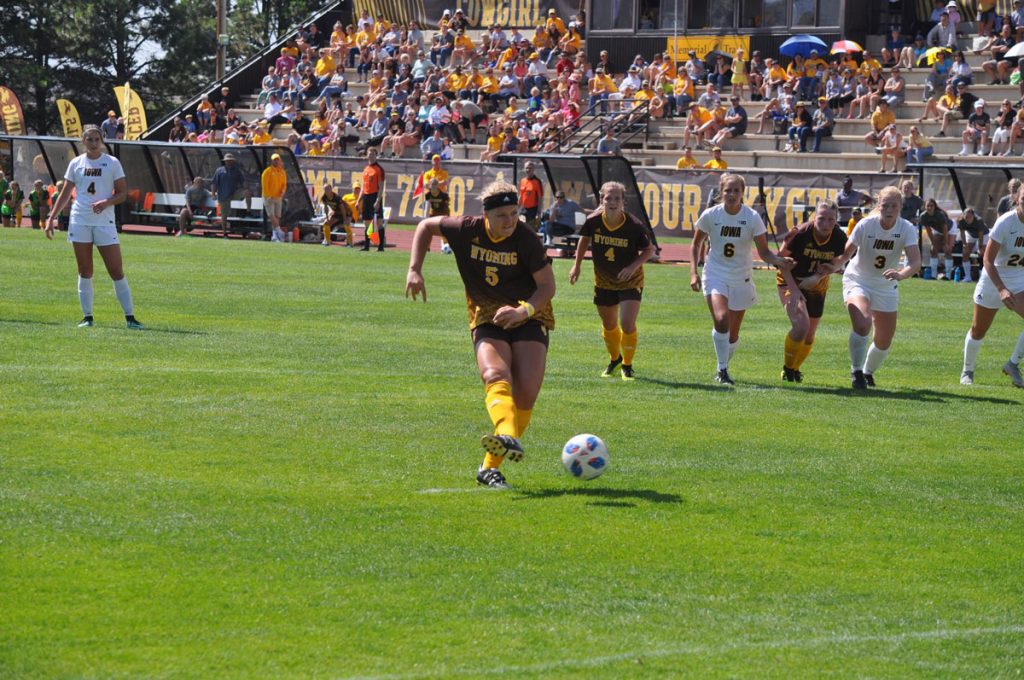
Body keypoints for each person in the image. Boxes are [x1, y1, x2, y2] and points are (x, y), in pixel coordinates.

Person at [405, 180, 556, 489]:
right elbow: (424, 226)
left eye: (514, 213)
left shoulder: (526, 239)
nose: (510, 221)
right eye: (502, 215)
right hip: (486, 313)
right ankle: (507, 435)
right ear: (486, 215)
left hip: (529, 313)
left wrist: (522, 311)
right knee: (494, 374)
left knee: (525, 394)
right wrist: (414, 269)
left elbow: (547, 287)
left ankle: (489, 468)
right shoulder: (466, 228)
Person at [689, 173, 795, 384]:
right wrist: (693, 272)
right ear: (721, 192)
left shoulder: (752, 217)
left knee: (733, 335)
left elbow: (764, 252)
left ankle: (723, 365)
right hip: (715, 273)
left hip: (742, 277)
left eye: (736, 190)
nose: (732, 194)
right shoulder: (711, 214)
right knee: (721, 320)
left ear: (742, 193)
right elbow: (695, 244)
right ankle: (722, 370)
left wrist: (780, 261)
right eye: (728, 190)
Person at [43, 126, 142, 329]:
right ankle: (87, 317)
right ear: (83, 141)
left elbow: (123, 193)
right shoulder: (76, 163)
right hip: (80, 220)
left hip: (104, 222)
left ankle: (130, 317)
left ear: (102, 140)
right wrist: (51, 217)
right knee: (85, 270)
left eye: (97, 139)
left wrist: (106, 202)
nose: (94, 142)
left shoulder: (112, 163)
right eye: (89, 139)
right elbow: (65, 193)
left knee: (116, 270)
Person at [569, 181, 655, 380]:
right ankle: (615, 359)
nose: (613, 201)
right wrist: (577, 265)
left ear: (623, 201)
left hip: (631, 280)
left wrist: (632, 267)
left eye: (617, 198)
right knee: (609, 325)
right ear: (602, 199)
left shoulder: (634, 225)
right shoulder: (593, 221)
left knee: (626, 323)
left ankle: (627, 365)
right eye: (609, 197)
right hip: (604, 281)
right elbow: (584, 240)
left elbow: (649, 250)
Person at [841, 186, 922, 389]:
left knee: (884, 341)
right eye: (885, 205)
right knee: (863, 322)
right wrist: (825, 269)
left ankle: (867, 372)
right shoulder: (866, 224)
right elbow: (844, 255)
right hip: (858, 279)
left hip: (886, 285)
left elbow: (915, 263)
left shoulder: (906, 228)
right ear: (879, 205)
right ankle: (856, 371)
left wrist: (900, 274)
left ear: (900, 207)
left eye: (894, 205)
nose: (889, 209)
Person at [775, 200, 848, 382]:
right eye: (821, 218)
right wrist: (794, 289)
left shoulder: (839, 237)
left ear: (836, 220)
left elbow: (841, 260)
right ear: (814, 217)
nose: (825, 224)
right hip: (791, 281)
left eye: (831, 220)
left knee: (809, 335)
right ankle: (788, 369)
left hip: (817, 285)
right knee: (801, 325)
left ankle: (795, 368)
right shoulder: (800, 234)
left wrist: (819, 276)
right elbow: (780, 261)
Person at [960, 185, 1024, 387]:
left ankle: (1013, 364)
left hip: (1018, 279)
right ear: (1016, 199)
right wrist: (1001, 289)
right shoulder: (1006, 222)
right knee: (978, 330)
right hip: (993, 279)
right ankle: (967, 370)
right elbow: (987, 260)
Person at [211, 153, 252, 238]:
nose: (229, 162)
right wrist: (213, 194)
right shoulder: (219, 170)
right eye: (227, 161)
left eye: (230, 160)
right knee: (224, 216)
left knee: (247, 192)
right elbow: (214, 183)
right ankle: (225, 233)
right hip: (223, 195)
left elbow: (243, 181)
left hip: (234, 193)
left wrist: (246, 187)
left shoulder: (237, 171)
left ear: (233, 161)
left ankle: (248, 211)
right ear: (225, 161)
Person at [356, 148, 386, 251]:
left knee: (379, 222)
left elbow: (381, 187)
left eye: (373, 154)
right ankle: (367, 246)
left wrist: (378, 200)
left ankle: (381, 246)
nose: (371, 156)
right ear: (367, 155)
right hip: (366, 197)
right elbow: (364, 187)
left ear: (376, 156)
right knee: (367, 223)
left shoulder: (379, 169)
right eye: (369, 154)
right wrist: (358, 200)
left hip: (374, 196)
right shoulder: (366, 169)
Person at [919, 197, 953, 279]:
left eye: (931, 206)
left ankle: (948, 276)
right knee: (933, 250)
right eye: (928, 206)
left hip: (950, 229)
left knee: (947, 250)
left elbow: (945, 229)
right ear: (925, 207)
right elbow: (929, 231)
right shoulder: (923, 216)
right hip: (938, 231)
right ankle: (933, 275)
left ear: (935, 207)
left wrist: (945, 242)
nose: (929, 207)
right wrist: (934, 244)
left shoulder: (940, 214)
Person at [956, 207, 988, 282]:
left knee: (981, 254)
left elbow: (980, 235)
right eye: (966, 217)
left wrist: (980, 248)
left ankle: (982, 277)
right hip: (971, 235)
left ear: (973, 216)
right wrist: (965, 244)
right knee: (965, 253)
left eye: (970, 217)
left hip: (984, 235)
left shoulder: (979, 220)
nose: (968, 219)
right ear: (963, 216)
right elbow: (962, 233)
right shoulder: (961, 221)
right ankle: (967, 277)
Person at [262, 153, 288, 242]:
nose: (276, 161)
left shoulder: (282, 172)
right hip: (269, 197)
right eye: (275, 159)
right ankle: (279, 231)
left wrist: (283, 191)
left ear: (280, 160)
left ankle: (275, 236)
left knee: (277, 216)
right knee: (271, 215)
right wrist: (268, 196)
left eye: (278, 159)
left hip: (278, 197)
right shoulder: (267, 171)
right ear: (272, 161)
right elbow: (264, 185)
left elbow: (284, 184)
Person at [422, 178, 452, 253]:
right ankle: (427, 247)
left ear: (438, 185)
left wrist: (446, 217)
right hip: (434, 212)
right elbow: (427, 207)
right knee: (427, 230)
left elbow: (447, 206)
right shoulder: (428, 195)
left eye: (435, 184)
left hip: (443, 212)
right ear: (429, 185)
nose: (434, 186)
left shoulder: (443, 195)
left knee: (443, 231)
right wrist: (425, 218)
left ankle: (445, 247)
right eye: (432, 184)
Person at [320, 182, 353, 246]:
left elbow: (342, 209)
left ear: (331, 189)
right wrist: (327, 218)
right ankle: (327, 241)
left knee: (346, 224)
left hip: (347, 213)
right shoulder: (324, 198)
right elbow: (326, 208)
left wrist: (345, 219)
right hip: (337, 213)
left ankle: (350, 243)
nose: (326, 191)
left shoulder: (336, 197)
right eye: (325, 189)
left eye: (327, 189)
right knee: (326, 223)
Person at [518, 161, 544, 230]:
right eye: (526, 168)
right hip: (524, 209)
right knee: (521, 226)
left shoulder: (537, 181)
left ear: (533, 169)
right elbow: (521, 195)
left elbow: (540, 198)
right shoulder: (523, 181)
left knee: (530, 230)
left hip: (533, 210)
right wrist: (516, 208)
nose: (528, 170)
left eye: (530, 168)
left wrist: (538, 213)